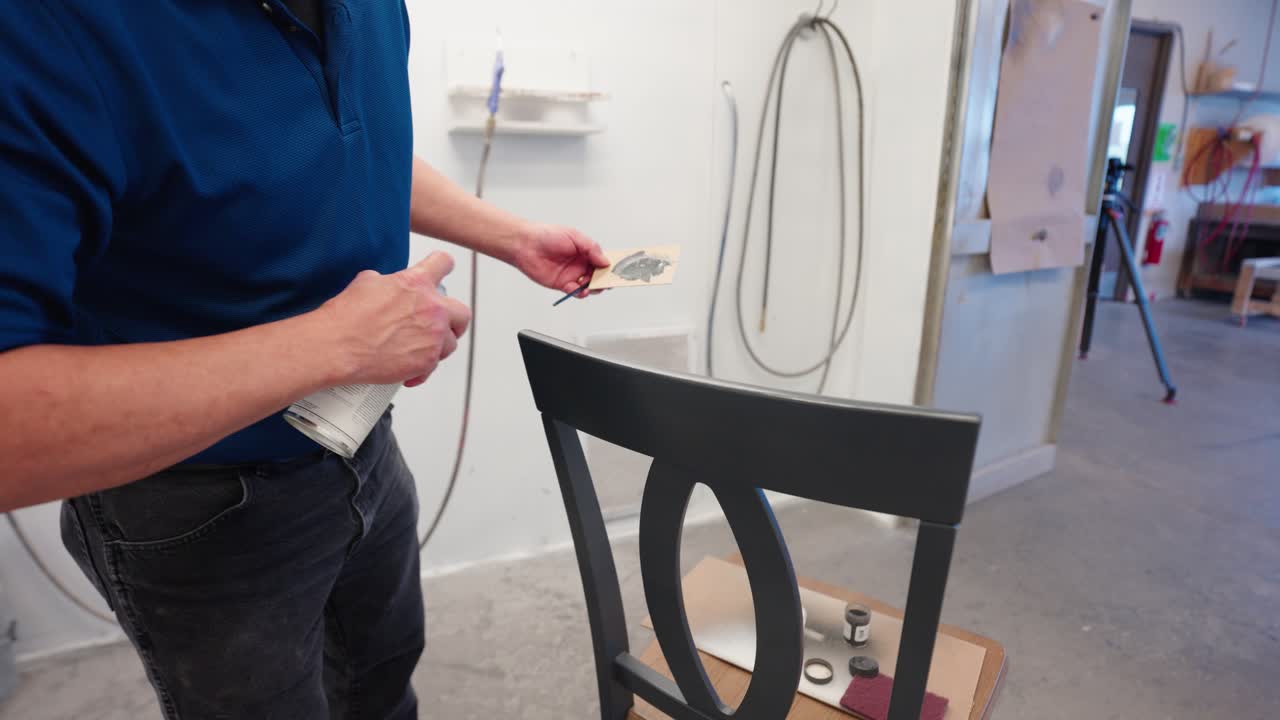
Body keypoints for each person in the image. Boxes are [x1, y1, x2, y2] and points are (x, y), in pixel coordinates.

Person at [0, 1, 606, 717]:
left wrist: (510, 236)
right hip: (198, 501)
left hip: (360, 442)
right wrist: (340, 344)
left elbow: (337, 144)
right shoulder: (47, 29)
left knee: (380, 685)